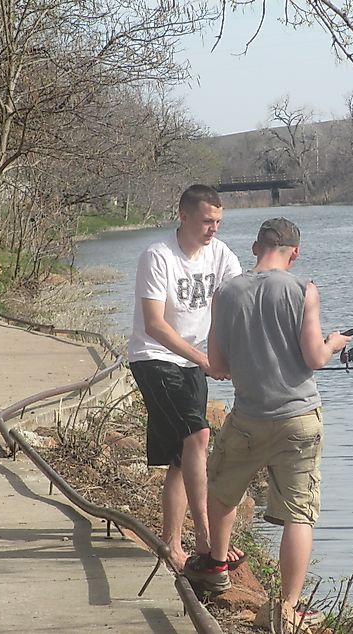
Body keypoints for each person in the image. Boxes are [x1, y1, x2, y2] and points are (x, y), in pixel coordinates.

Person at [183, 217, 351, 629]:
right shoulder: (303, 289)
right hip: (299, 419)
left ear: (256, 247)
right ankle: (289, 607)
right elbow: (314, 359)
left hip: (247, 418)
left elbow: (218, 365)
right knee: (298, 514)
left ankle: (216, 566)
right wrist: (335, 342)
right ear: (294, 253)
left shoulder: (225, 293)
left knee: (223, 491)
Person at [126, 184, 244, 571]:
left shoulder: (221, 253)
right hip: (154, 358)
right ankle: (208, 538)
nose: (214, 229)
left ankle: (172, 544)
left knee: (181, 457)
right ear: (184, 216)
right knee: (199, 434)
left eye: (219, 222)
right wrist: (206, 361)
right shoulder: (158, 256)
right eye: (208, 221)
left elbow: (241, 302)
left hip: (194, 362)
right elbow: (155, 325)